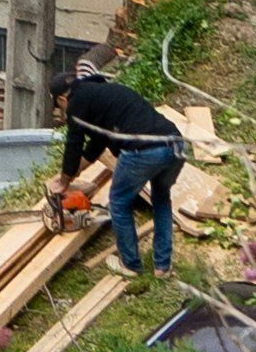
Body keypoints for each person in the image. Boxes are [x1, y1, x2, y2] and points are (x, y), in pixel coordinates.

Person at [53, 51, 187, 275]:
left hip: (143, 151)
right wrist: (73, 173)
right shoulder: (101, 94)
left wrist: (64, 182)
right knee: (161, 198)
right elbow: (97, 144)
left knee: (118, 202)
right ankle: (162, 266)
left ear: (62, 100)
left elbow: (73, 144)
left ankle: (130, 264)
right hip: (175, 145)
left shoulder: (76, 104)